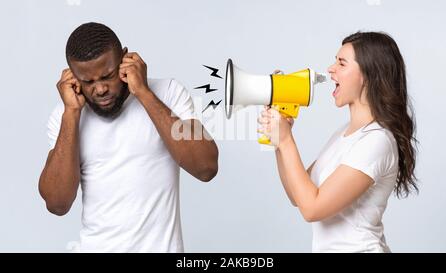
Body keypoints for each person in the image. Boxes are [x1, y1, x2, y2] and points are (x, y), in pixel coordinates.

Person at [38, 22, 218, 252]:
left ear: (125, 59)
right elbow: (57, 203)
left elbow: (206, 167)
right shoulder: (66, 116)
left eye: (108, 75)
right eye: (88, 81)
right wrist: (71, 114)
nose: (100, 89)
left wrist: (143, 92)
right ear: (73, 77)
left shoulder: (168, 93)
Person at [257, 31, 417, 252]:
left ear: (368, 75)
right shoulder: (344, 134)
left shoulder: (377, 141)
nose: (331, 68)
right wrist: (277, 140)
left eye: (341, 63)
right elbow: (298, 196)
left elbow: (312, 209)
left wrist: (286, 140)